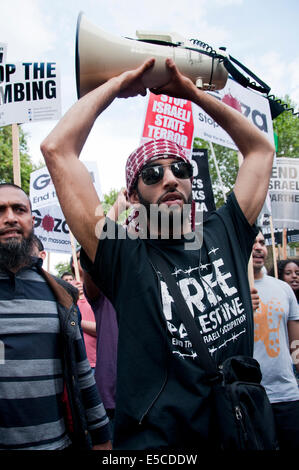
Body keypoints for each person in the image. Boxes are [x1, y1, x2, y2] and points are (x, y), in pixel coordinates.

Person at [41, 57, 274, 450]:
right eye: (152, 174)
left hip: (239, 434)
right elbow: (57, 148)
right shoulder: (122, 256)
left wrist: (193, 94)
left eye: (179, 169)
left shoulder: (225, 232)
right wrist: (117, 84)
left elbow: (260, 150)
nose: (169, 178)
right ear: (132, 195)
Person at [0, 182, 111, 450]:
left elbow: (81, 373)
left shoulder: (60, 292)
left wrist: (102, 440)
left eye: (19, 209)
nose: (10, 217)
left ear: (32, 220)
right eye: (0, 210)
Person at [252, 230, 299, 450]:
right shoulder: (231, 288)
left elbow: (295, 343)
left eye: (262, 242)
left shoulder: (284, 289)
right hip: (250, 396)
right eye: (252, 242)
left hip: (287, 394)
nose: (258, 246)